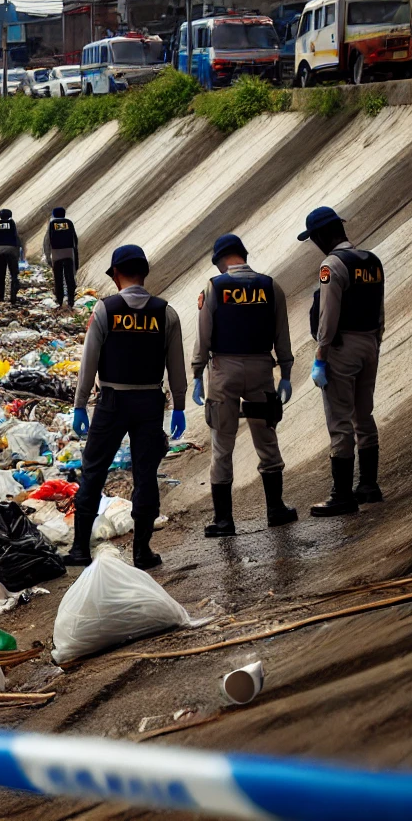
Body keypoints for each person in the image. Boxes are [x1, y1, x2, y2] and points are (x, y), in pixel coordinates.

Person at [65, 245, 187, 570]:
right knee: (145, 475)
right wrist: (180, 406)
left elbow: (88, 363)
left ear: (116, 275)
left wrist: (79, 406)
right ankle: (142, 552)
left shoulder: (105, 310)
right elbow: (176, 368)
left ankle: (79, 549)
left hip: (111, 402)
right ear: (144, 274)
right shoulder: (166, 313)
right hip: (149, 402)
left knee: (93, 472)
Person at [191, 233, 297, 536]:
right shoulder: (270, 286)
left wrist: (197, 373)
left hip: (225, 370)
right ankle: (276, 510)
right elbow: (282, 334)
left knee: (222, 443)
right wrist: (286, 372)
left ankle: (224, 521)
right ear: (243, 254)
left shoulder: (214, 287)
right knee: (266, 438)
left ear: (221, 261)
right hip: (262, 367)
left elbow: (204, 336)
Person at [298, 206, 385, 515]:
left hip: (342, 348)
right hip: (370, 343)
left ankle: (342, 495)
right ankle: (369, 486)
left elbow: (328, 315)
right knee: (364, 414)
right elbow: (378, 309)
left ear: (321, 235)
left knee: (339, 422)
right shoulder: (371, 261)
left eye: (313, 238)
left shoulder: (331, 265)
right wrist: (375, 342)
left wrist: (321, 355)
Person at [43, 207, 78, 308]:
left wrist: (48, 255)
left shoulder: (52, 224)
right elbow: (75, 239)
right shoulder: (69, 223)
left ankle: (60, 300)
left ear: (54, 214)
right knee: (69, 277)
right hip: (68, 252)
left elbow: (47, 241)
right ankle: (71, 300)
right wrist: (74, 253)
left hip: (56, 253)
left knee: (58, 278)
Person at [0, 209, 23, 304]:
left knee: (1, 275)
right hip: (11, 250)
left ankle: (1, 297)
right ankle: (13, 297)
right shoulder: (12, 223)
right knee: (13, 274)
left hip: (0, 250)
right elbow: (15, 237)